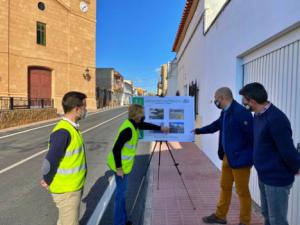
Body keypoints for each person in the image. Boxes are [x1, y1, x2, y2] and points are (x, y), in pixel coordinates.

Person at [239, 82, 300, 225]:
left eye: (245, 101)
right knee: (266, 215)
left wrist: (296, 166)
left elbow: (287, 149)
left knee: (277, 220)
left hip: (276, 179)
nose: (244, 103)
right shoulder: (258, 115)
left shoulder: (276, 119)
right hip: (264, 175)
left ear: (252, 101)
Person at [192, 87, 253, 225]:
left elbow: (252, 138)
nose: (215, 101)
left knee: (242, 191)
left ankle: (245, 221)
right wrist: (198, 131)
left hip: (240, 160)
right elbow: (216, 126)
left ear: (222, 97)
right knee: (225, 187)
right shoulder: (225, 112)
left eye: (216, 98)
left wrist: (247, 157)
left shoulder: (241, 113)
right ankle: (220, 216)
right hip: (227, 157)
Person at [107, 104, 169, 225]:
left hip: (125, 166)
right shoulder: (128, 130)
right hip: (120, 167)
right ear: (137, 115)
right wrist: (119, 168)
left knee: (122, 195)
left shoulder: (133, 124)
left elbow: (145, 125)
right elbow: (116, 149)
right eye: (142, 113)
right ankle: (119, 222)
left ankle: (123, 220)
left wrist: (160, 128)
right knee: (120, 197)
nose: (144, 116)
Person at [41, 91, 88, 225]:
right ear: (77, 109)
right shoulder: (63, 131)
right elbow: (50, 160)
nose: (86, 110)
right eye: (84, 106)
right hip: (67, 191)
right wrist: (46, 179)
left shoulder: (71, 128)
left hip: (71, 187)